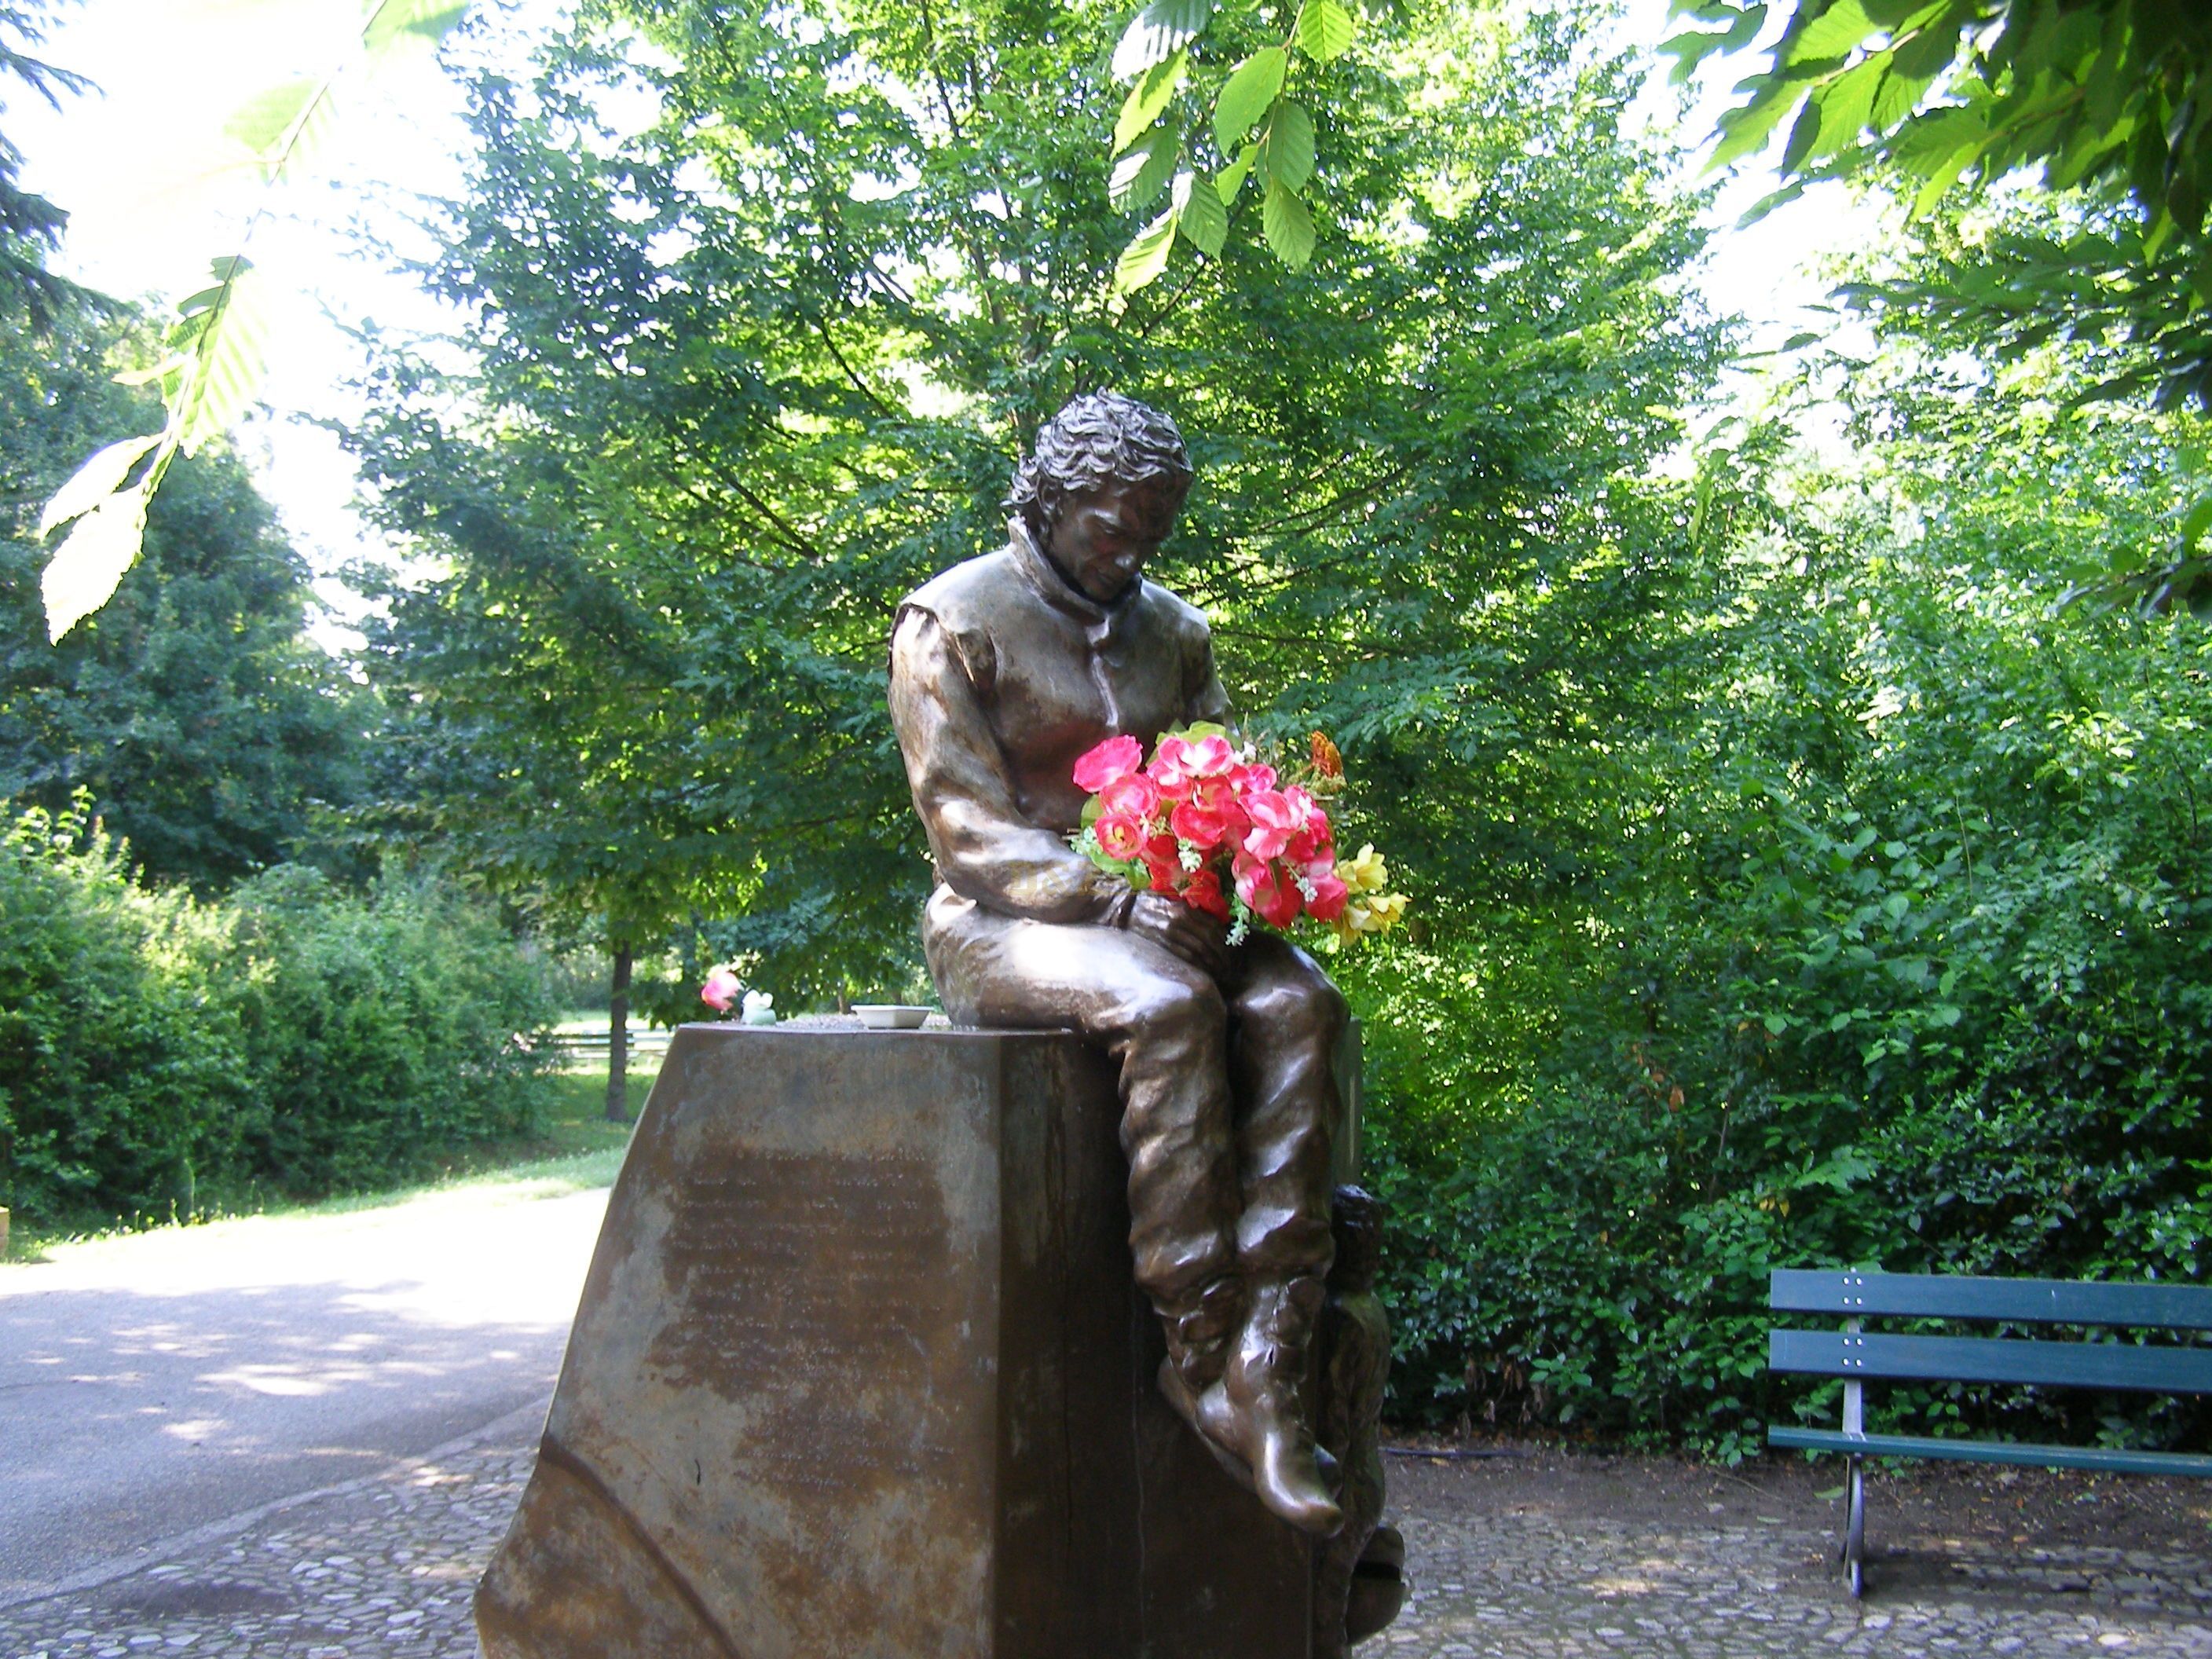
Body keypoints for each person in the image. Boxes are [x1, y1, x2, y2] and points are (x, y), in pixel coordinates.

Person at [886, 390, 1350, 1536]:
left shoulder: (1177, 631)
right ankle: (1196, 1351)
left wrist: (1241, 876)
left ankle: (1268, 1350)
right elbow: (966, 828)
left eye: (1156, 525)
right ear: (1049, 503)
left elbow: (1229, 783)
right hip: (1004, 926)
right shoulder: (950, 620)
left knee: (1301, 1001)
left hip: (1166, 910)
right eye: (1113, 524)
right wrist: (1113, 898)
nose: (1134, 549)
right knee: (1169, 1003)